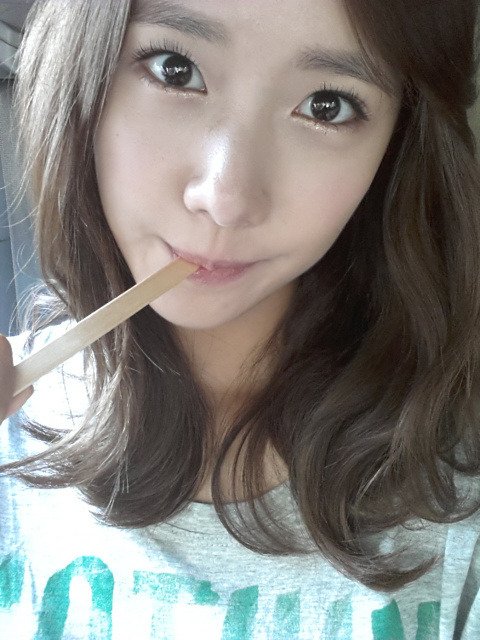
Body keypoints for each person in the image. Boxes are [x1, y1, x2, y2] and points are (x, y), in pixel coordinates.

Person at [0, 0, 479, 637]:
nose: (225, 198)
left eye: (327, 106)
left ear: (396, 148)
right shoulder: (12, 428)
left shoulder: (456, 493)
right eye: (174, 69)